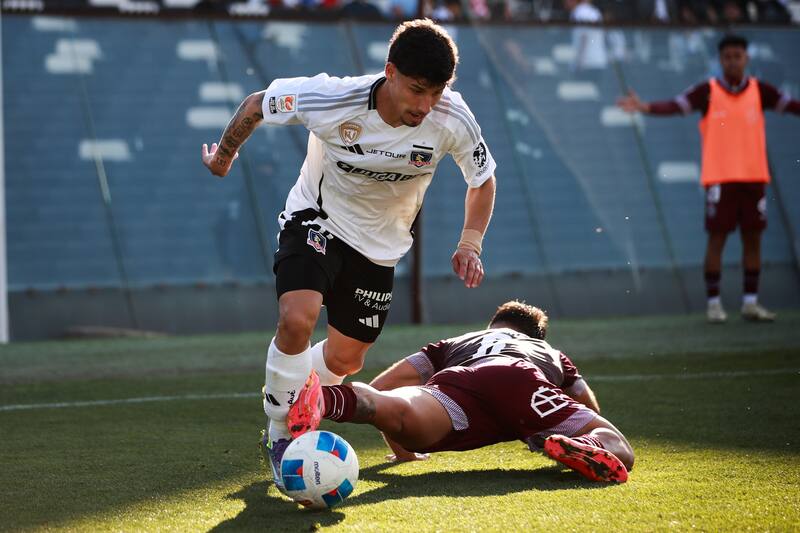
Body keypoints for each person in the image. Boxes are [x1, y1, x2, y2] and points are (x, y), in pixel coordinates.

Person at [201, 19, 497, 491]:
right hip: (316, 220)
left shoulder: (452, 118)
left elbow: (481, 180)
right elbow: (257, 104)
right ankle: (282, 433)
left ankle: (297, 398)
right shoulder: (331, 98)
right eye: (417, 90)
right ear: (390, 72)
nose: (424, 105)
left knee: (346, 359)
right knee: (297, 319)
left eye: (435, 93)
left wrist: (470, 242)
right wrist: (224, 155)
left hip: (379, 248)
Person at [287, 301, 634, 483]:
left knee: (391, 408)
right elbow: (586, 403)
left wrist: (405, 450)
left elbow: (384, 387)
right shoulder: (548, 351)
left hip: (460, 383)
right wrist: (582, 427)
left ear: (492, 326)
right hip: (523, 380)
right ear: (534, 335)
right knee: (620, 449)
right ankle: (589, 448)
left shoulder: (457, 341)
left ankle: (324, 398)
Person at [617, 34, 800, 324]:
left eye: (737, 56)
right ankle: (714, 305)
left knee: (753, 239)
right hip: (720, 178)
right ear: (720, 59)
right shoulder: (709, 90)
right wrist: (644, 107)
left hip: (753, 177)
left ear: (746, 58)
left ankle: (750, 303)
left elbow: (791, 105)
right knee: (717, 239)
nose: (732, 61)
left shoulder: (760, 90)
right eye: (727, 57)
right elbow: (677, 106)